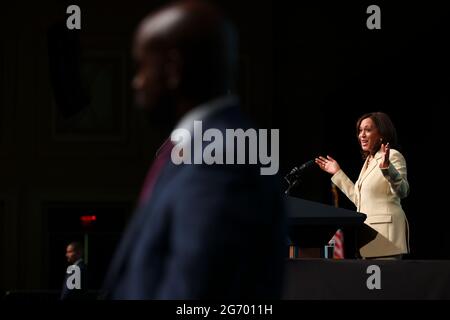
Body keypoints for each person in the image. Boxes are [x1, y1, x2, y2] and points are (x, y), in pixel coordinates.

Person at [102, 0, 286, 299]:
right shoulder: (194, 150)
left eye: (142, 67)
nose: (136, 82)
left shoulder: (225, 157)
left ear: (173, 70)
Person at [315, 112, 409, 259]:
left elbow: (403, 191)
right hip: (367, 238)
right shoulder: (368, 161)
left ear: (381, 134)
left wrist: (387, 168)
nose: (362, 135)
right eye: (360, 131)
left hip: (387, 239)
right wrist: (337, 173)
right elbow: (359, 199)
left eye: (368, 130)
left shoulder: (392, 156)